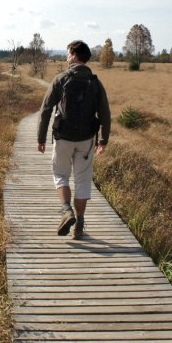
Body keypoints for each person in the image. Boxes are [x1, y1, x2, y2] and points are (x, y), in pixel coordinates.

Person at [37, 40, 111, 239]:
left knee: (61, 175)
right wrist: (103, 141)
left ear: (75, 55)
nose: (67, 56)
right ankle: (79, 224)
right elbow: (105, 113)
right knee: (83, 180)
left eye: (69, 53)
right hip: (86, 140)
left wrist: (41, 138)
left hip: (63, 137)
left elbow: (45, 110)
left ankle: (66, 210)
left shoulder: (61, 78)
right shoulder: (95, 82)